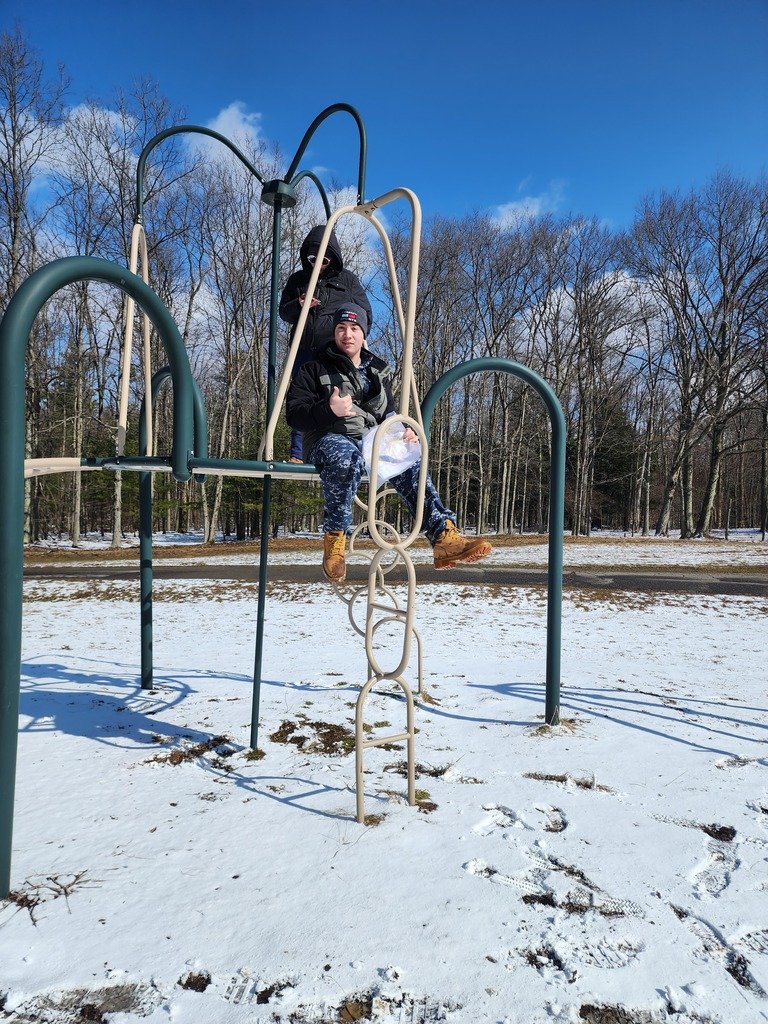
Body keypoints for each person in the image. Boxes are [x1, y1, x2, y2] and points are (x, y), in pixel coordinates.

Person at [286, 304, 493, 582]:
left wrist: (404, 431)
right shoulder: (314, 367)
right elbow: (294, 414)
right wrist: (328, 409)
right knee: (345, 457)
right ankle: (335, 539)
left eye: (354, 328)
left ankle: (443, 536)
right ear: (334, 332)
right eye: (341, 328)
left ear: (363, 333)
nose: (347, 334)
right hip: (330, 437)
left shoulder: (377, 370)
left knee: (411, 459)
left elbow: (389, 413)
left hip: (372, 439)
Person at [279, 225, 372, 463]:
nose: (318, 264)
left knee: (338, 393)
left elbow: (365, 313)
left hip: (333, 350)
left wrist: (354, 339)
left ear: (333, 258)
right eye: (313, 259)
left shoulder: (347, 280)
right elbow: (284, 312)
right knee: (301, 396)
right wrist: (299, 304)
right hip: (303, 347)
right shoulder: (299, 279)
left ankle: (346, 444)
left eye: (324, 259)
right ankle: (298, 452)